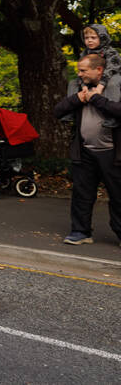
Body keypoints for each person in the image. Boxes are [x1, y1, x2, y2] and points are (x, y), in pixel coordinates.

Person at [53, 53, 121, 247]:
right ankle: (81, 232)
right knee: (82, 194)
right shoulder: (81, 89)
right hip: (85, 152)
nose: (79, 74)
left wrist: (96, 99)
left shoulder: (115, 87)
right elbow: (58, 111)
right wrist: (78, 99)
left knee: (118, 195)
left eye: (83, 70)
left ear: (98, 70)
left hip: (112, 153)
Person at [80, 25, 120, 127]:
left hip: (111, 75)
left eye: (93, 38)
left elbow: (112, 68)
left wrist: (100, 86)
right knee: (73, 83)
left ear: (102, 38)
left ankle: (112, 116)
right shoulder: (85, 53)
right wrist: (84, 86)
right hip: (93, 78)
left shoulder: (110, 51)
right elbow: (82, 70)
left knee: (113, 83)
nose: (89, 41)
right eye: (86, 38)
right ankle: (70, 113)